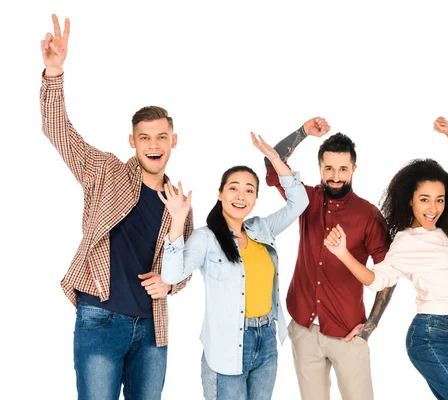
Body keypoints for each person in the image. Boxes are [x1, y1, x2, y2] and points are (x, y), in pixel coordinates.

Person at [40, 15, 193, 400]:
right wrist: (53, 73)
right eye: (145, 138)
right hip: (100, 318)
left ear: (173, 140)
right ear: (133, 141)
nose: (153, 145)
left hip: (152, 328)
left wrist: (172, 283)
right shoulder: (106, 171)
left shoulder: (178, 202)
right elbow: (61, 135)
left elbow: (186, 262)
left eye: (161, 137)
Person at [324, 117, 448, 399]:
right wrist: (343, 253)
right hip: (430, 336)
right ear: (410, 199)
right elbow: (378, 280)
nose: (433, 208)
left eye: (440, 199)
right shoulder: (407, 240)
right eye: (424, 199)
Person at [161, 133, 309, 399]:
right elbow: (171, 275)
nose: (241, 196)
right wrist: (177, 220)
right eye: (233, 188)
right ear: (220, 194)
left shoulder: (263, 228)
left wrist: (275, 159)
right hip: (227, 346)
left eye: (249, 190)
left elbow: (300, 202)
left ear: (255, 199)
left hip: (266, 340)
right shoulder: (205, 238)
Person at [265, 118, 396, 400]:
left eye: (343, 169)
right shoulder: (305, 199)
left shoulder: (369, 215)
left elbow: (389, 272)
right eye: (328, 168)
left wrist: (370, 326)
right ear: (320, 168)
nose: (335, 175)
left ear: (354, 169)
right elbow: (272, 164)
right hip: (303, 328)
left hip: (348, 333)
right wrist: (303, 132)